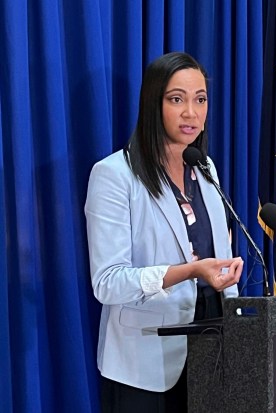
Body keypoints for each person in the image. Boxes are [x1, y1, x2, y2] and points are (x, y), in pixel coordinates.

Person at [85, 52, 243, 412]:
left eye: (200, 99)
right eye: (177, 99)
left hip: (213, 349)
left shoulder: (205, 169)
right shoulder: (114, 176)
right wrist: (189, 271)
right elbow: (108, 282)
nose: (191, 112)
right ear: (153, 104)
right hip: (145, 363)